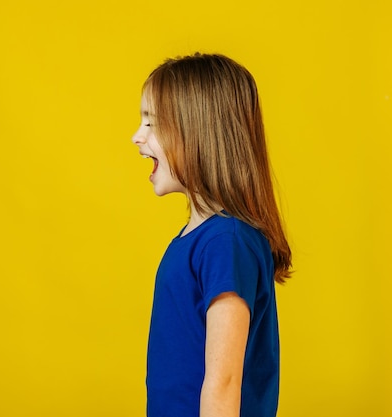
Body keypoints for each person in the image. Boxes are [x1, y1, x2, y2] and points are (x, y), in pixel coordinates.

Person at [131, 53, 292, 417]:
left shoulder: (226, 242)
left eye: (152, 124)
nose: (136, 137)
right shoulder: (201, 238)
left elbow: (224, 381)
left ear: (198, 132)